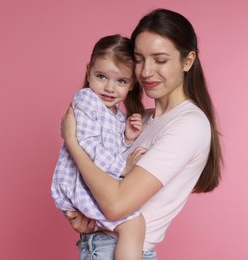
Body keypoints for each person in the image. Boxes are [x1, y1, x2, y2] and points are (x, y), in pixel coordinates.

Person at [61, 8, 223, 260]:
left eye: (160, 60)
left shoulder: (188, 124)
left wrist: (72, 143)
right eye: (139, 59)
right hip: (97, 246)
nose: (146, 71)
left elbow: (116, 205)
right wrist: (90, 218)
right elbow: (106, 184)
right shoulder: (141, 120)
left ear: (187, 61)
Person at [51, 34, 146, 260]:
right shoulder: (86, 100)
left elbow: (110, 146)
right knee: (133, 225)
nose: (110, 88)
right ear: (88, 71)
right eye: (101, 76)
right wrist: (122, 168)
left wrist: (127, 138)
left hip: (94, 182)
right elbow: (87, 143)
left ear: (132, 84)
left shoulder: (117, 115)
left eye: (121, 81)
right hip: (78, 182)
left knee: (128, 225)